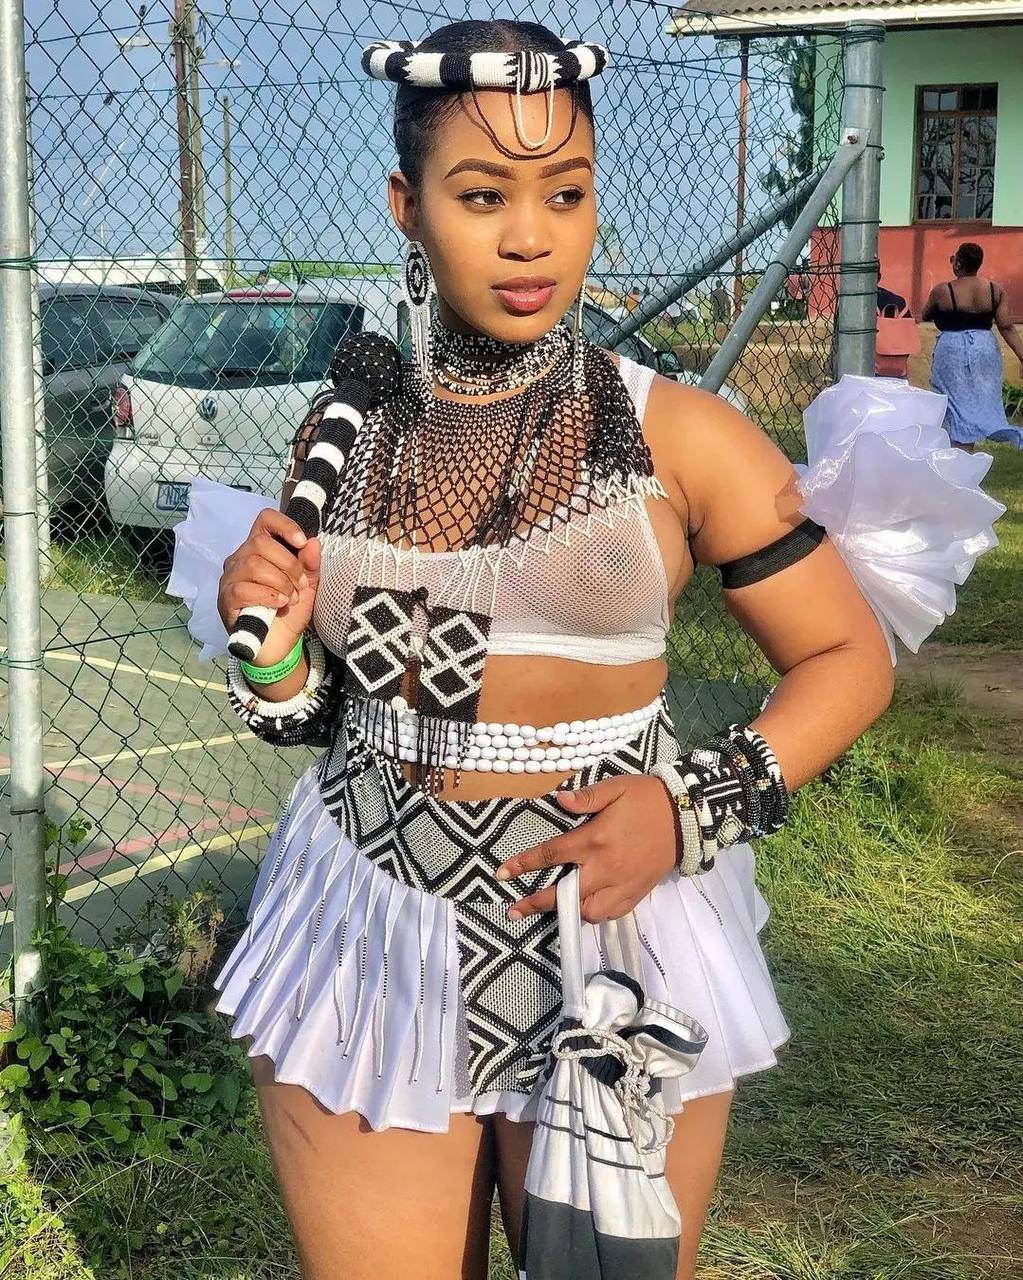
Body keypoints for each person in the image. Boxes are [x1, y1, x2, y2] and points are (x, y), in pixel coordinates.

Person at [208, 20, 897, 1280]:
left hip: (613, 935)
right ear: (407, 207)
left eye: (564, 194)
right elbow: (316, 718)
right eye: (483, 196)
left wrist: (687, 813)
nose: (531, 236)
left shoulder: (681, 435)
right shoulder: (347, 430)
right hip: (368, 922)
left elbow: (850, 656)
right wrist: (271, 654)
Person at [922, 241, 1023, 450]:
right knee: (982, 399)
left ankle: (960, 450)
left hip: (952, 349)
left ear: (958, 263)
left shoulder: (943, 290)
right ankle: (971, 446)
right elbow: (1006, 327)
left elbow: (925, 314)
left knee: (953, 401)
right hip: (985, 348)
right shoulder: (995, 290)